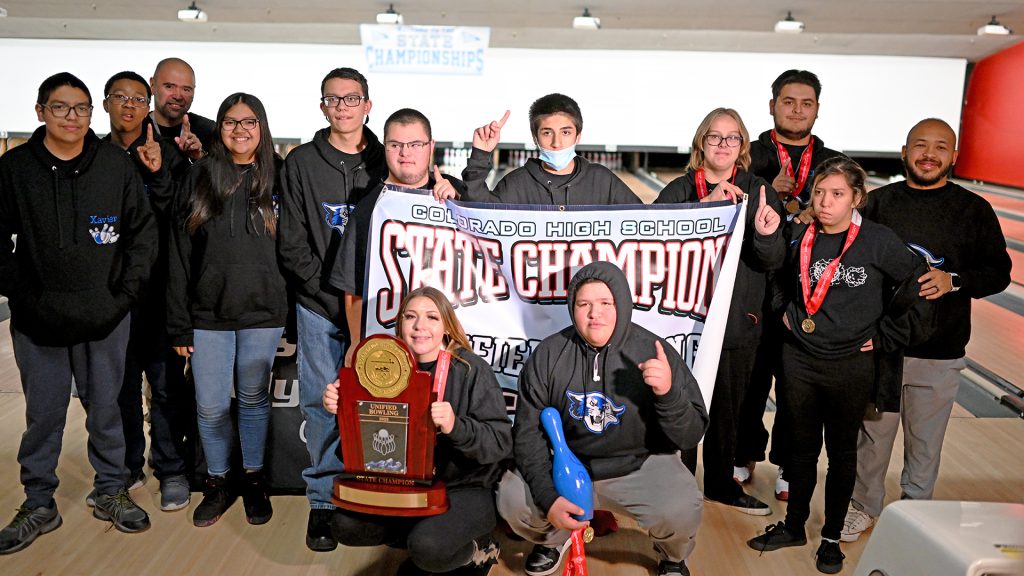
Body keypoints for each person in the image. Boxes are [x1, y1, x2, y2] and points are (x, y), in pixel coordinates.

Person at [746, 157, 931, 574]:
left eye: (837, 194)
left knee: (843, 454)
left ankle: (830, 539)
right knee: (801, 449)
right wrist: (785, 312)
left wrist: (885, 336)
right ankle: (794, 526)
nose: (825, 202)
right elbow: (775, 275)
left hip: (851, 364)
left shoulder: (878, 241)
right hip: (800, 360)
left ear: (857, 199)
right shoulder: (798, 234)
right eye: (820, 193)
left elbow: (918, 286)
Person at [0, 72, 158, 553]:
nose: (72, 117)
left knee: (107, 411)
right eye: (61, 107)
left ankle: (110, 491)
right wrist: (25, 299)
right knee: (43, 416)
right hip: (38, 322)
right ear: (40, 111)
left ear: (94, 113)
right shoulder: (15, 169)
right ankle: (38, 503)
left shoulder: (114, 165)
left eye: (82, 108)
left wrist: (122, 298)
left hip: (106, 318)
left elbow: (142, 236)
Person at [840, 119, 1012, 542]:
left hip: (941, 348)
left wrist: (955, 280)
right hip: (881, 347)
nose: (929, 154)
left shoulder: (974, 210)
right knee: (873, 438)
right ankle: (863, 507)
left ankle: (917, 513)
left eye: (940, 147)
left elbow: (1000, 272)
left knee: (926, 442)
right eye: (920, 145)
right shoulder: (877, 203)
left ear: (953, 156)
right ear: (904, 151)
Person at [498, 262, 709, 576]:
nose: (594, 313)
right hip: (568, 465)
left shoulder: (653, 350)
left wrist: (667, 393)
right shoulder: (548, 355)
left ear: (621, 305)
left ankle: (672, 556)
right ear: (573, 308)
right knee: (512, 498)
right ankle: (555, 538)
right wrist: (549, 499)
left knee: (683, 505)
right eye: (584, 304)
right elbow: (527, 436)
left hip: (638, 464)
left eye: (605, 303)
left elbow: (689, 435)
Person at [323, 286, 511, 575]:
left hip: (464, 488)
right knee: (345, 526)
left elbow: (500, 444)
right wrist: (342, 411)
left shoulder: (470, 369)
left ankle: (478, 551)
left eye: (432, 317)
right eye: (411, 316)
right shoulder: (379, 370)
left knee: (428, 548)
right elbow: (361, 448)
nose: (420, 326)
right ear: (400, 325)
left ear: (446, 326)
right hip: (405, 486)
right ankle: (424, 542)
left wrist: (455, 426)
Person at [277, 67, 387, 551]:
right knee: (322, 406)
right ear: (323, 107)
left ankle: (380, 492)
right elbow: (293, 244)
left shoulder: (389, 159)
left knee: (383, 405)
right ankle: (322, 501)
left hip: (381, 311)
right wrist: (332, 301)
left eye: (352, 98)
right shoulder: (300, 162)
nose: (343, 107)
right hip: (319, 307)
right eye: (333, 100)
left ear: (368, 104)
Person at [654, 108, 785, 515]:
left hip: (736, 322)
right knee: (680, 407)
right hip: (681, 322)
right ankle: (677, 486)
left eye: (732, 138)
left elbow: (774, 259)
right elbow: (653, 250)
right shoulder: (679, 190)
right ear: (701, 143)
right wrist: (703, 211)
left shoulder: (759, 190)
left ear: (742, 146)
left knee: (727, 411)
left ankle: (720, 486)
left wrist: (764, 235)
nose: (723, 145)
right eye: (715, 137)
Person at [166, 93, 287, 528]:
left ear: (262, 126)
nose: (240, 130)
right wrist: (179, 325)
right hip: (208, 313)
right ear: (219, 128)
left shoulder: (279, 174)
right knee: (212, 405)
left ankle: (253, 479)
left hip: (264, 311)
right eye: (231, 122)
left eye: (249, 121)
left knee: (254, 400)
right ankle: (218, 482)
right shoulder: (198, 176)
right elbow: (179, 255)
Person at [738, 69, 846, 500]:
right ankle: (741, 453)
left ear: (817, 109)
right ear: (772, 105)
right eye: (788, 101)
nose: (797, 110)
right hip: (753, 285)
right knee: (749, 378)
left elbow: (849, 223)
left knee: (796, 384)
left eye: (806, 103)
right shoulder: (749, 157)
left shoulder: (835, 163)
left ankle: (789, 462)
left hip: (806, 293)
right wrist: (762, 189)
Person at [101, 70, 192, 512]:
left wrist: (158, 172)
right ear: (107, 103)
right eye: (122, 97)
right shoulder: (93, 156)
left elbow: (175, 214)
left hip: (158, 292)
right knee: (118, 388)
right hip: (111, 296)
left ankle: (171, 469)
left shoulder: (169, 154)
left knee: (166, 386)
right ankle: (127, 467)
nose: (130, 106)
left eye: (137, 98)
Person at [330, 108, 465, 365]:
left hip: (449, 348)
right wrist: (358, 343)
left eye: (415, 144)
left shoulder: (456, 197)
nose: (405, 153)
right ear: (385, 148)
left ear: (430, 146)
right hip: (388, 349)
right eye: (395, 145)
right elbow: (354, 289)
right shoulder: (369, 210)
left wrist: (462, 203)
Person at [461, 94, 641, 205]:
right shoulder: (517, 184)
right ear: (535, 137)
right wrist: (480, 155)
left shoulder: (602, 180)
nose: (557, 142)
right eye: (547, 133)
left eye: (566, 132)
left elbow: (644, 222)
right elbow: (480, 214)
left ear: (578, 136)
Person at [149, 57, 217, 169]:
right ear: (152, 85)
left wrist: (200, 157)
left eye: (186, 89)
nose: (178, 96)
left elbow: (225, 180)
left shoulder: (209, 130)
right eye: (169, 86)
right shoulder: (137, 129)